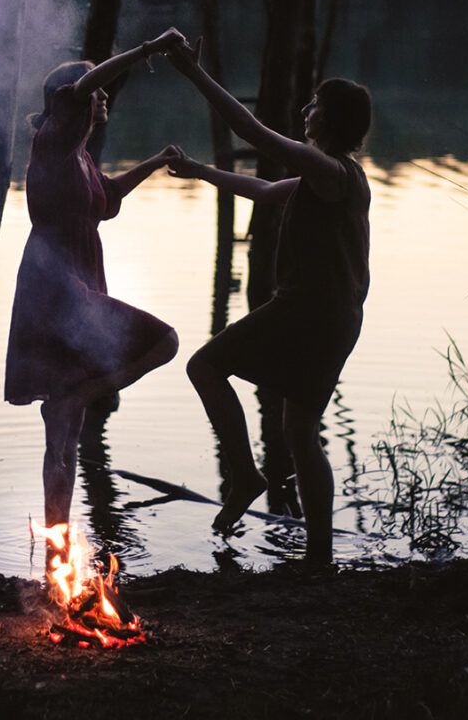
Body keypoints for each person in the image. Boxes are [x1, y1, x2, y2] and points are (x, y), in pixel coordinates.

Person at [167, 39, 371, 564]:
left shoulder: (330, 172)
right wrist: (201, 172)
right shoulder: (333, 176)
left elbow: (252, 132)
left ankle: (244, 475)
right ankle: (319, 556)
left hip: (308, 310)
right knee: (301, 431)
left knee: (204, 366)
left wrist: (194, 72)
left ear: (334, 119)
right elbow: (263, 192)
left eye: (315, 104)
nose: (306, 110)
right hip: (339, 318)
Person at [5, 30, 183, 529]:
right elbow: (83, 89)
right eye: (94, 89)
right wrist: (148, 49)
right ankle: (78, 394)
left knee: (67, 432)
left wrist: (157, 162)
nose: (103, 96)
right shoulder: (54, 138)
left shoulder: (77, 157)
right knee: (163, 342)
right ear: (70, 100)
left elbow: (107, 198)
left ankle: (57, 544)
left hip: (82, 276)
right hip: (54, 282)